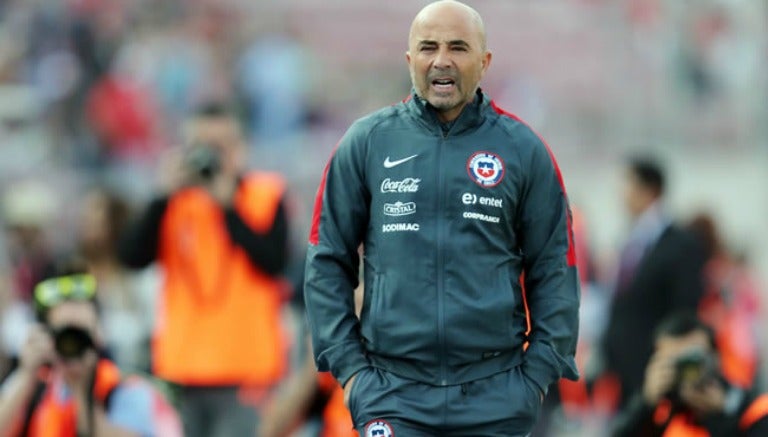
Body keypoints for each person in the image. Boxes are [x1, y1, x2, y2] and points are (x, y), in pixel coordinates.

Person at [303, 1, 580, 435]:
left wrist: (536, 378)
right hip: (391, 395)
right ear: (410, 59)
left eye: (458, 47)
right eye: (428, 47)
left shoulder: (525, 150)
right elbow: (326, 260)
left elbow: (555, 269)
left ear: (484, 62)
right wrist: (351, 372)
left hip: (496, 396)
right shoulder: (367, 142)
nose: (442, 60)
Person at [117, 103, 291, 437]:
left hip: (247, 370)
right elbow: (131, 257)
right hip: (183, 368)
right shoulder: (173, 202)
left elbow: (275, 263)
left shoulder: (264, 194)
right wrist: (160, 195)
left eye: (220, 146)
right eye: (201, 146)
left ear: (239, 147)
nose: (210, 155)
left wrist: (228, 206)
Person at [0, 262, 181, 436]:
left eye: (80, 334)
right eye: (64, 334)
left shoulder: (127, 392)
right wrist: (25, 375)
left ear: (99, 333)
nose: (72, 345)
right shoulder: (35, 393)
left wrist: (83, 393)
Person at [597, 156, 707, 408]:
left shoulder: (681, 244)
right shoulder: (630, 241)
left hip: (658, 375)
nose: (621, 193)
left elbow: (686, 308)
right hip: (623, 375)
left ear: (649, 190)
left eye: (628, 184)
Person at [611, 312, 768, 436]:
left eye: (692, 361)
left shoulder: (755, 412)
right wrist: (645, 402)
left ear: (716, 358)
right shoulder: (661, 416)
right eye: (673, 363)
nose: (684, 373)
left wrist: (719, 416)